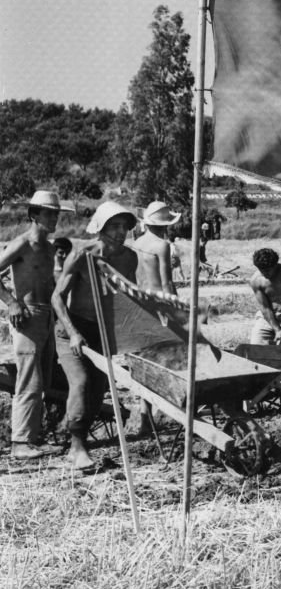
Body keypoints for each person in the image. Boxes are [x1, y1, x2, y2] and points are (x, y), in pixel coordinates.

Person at [52, 201, 139, 470]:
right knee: (81, 381)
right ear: (100, 228)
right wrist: (74, 333)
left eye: (124, 226)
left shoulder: (128, 257)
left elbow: (128, 296)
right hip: (72, 330)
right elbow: (57, 298)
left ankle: (75, 443)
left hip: (103, 331)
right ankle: (77, 447)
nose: (120, 231)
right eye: (114, 226)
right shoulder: (82, 254)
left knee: (99, 389)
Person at [0, 191, 64, 460]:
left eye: (56, 213)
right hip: (26, 316)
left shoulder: (50, 249)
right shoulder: (22, 244)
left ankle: (34, 437)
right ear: (34, 215)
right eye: (49, 213)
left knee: (45, 379)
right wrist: (11, 303)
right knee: (30, 379)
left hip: (47, 315)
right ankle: (19, 443)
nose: (54, 218)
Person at [134, 201, 181, 296]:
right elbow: (166, 283)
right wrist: (176, 303)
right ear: (165, 226)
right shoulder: (162, 245)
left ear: (146, 223)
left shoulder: (136, 243)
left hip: (141, 297)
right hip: (158, 301)